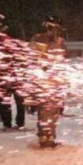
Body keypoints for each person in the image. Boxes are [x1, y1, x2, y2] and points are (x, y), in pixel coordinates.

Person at [29, 17, 67, 148]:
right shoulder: (39, 40)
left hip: (55, 78)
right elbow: (35, 60)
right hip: (44, 79)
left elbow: (62, 59)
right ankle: (44, 138)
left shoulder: (59, 41)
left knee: (54, 109)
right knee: (45, 109)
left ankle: (50, 136)